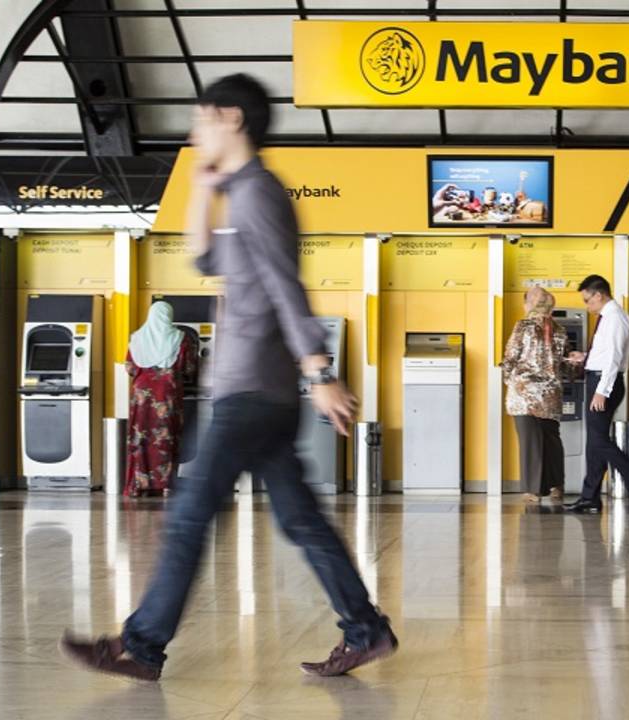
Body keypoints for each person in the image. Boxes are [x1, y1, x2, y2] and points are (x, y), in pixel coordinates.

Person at [59, 74, 395, 681]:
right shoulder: (240, 193)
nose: (195, 131)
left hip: (252, 391)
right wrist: (199, 186)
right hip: (256, 390)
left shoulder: (259, 193)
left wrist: (319, 368)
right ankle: (366, 630)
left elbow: (284, 284)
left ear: (230, 118)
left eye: (201, 119)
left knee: (189, 515)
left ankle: (142, 645)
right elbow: (204, 256)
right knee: (300, 520)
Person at [564, 274, 629, 514]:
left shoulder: (615, 318)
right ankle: (590, 497)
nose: (587, 306)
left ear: (599, 295)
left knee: (598, 440)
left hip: (605, 383)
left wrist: (601, 391)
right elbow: (606, 354)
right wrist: (585, 357)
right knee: (595, 441)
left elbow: (614, 358)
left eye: (588, 300)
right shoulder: (608, 317)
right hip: (599, 379)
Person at [123, 301, 198, 498]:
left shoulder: (136, 338)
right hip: (166, 394)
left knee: (140, 436)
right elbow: (188, 368)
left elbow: (129, 367)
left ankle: (139, 485)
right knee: (165, 436)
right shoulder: (180, 338)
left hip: (141, 395)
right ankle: (165, 485)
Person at [503, 286, 568, 503]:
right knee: (551, 440)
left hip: (525, 395)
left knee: (530, 440)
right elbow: (566, 364)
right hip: (551, 394)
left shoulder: (523, 326)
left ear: (529, 304)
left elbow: (511, 357)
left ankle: (533, 490)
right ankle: (556, 486)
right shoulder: (560, 329)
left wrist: (510, 381)